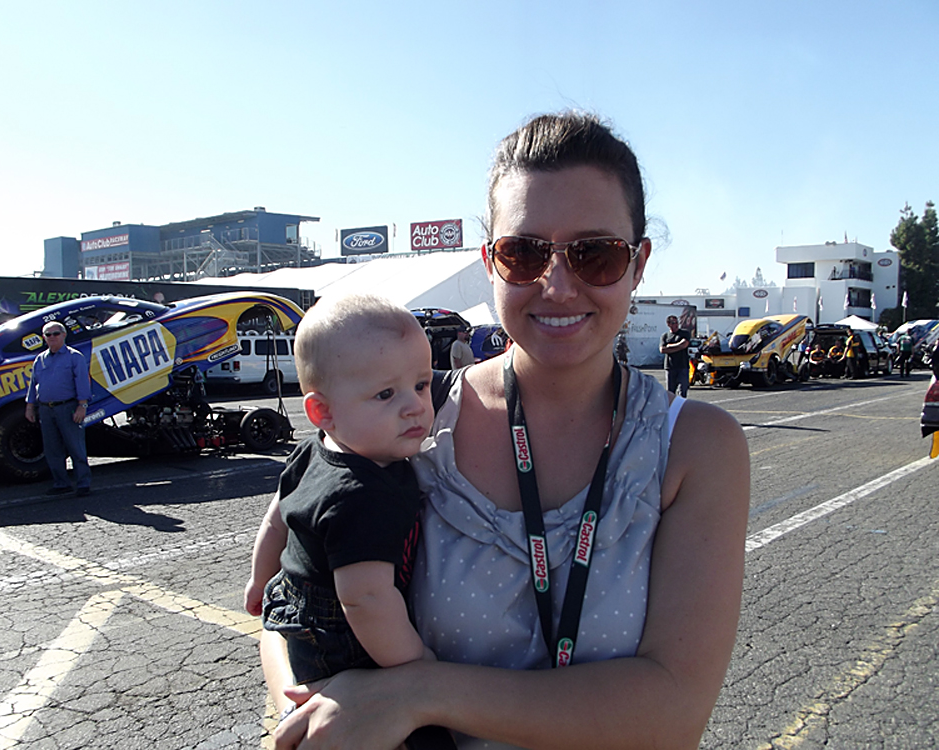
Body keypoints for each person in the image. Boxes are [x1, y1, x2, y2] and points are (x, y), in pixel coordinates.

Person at [268, 112, 750, 750]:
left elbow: (673, 712)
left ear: (638, 264)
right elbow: (288, 590)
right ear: (490, 260)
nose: (556, 284)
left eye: (595, 254)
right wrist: (313, 712)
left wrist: (414, 693)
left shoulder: (695, 446)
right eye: (524, 253)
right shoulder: (409, 415)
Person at [244, 293, 455, 749]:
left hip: (292, 604)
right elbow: (365, 599)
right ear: (323, 412)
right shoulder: (364, 495)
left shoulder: (317, 448)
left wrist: (260, 581)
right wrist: (416, 667)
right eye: (385, 394)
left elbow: (276, 518)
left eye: (421, 385)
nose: (415, 406)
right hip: (340, 637)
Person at [24, 321, 92, 497]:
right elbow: (34, 385)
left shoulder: (74, 357)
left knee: (75, 447)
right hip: (46, 409)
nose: (52, 337)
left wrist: (82, 406)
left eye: (56, 333)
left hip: (67, 407)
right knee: (52, 449)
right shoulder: (40, 359)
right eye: (48, 334)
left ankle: (83, 483)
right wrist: (30, 406)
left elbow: (83, 383)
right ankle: (61, 483)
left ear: (63, 335)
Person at [660, 314, 691, 396]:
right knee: (670, 392)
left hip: (683, 366)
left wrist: (670, 346)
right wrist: (678, 346)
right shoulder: (665, 336)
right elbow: (662, 349)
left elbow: (684, 344)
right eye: (673, 323)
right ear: (668, 324)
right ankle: (670, 408)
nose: (676, 324)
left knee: (682, 391)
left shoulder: (684, 333)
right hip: (670, 367)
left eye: (677, 322)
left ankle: (681, 408)